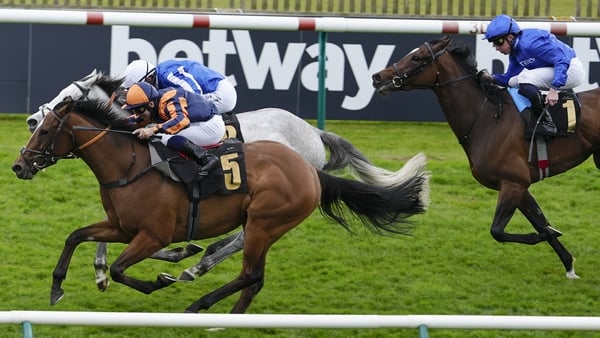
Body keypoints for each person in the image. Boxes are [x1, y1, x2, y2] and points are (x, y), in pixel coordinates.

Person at [481, 14, 585, 134]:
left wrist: (554, 88)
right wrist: (491, 78)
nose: (496, 48)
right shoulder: (515, 53)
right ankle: (540, 114)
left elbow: (562, 59)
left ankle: (546, 122)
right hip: (559, 70)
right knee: (514, 81)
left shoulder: (530, 43)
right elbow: (508, 79)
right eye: (493, 43)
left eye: (498, 42)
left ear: (510, 37)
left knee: (524, 78)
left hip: (571, 69)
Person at [122, 81, 224, 174]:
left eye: (139, 110)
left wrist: (153, 129)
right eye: (134, 110)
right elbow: (137, 119)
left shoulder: (168, 99)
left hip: (211, 126)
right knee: (158, 131)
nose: (137, 114)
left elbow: (181, 120)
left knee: (160, 136)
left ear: (151, 104)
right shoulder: (154, 103)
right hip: (199, 123)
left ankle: (206, 158)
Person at [121, 59, 237, 115]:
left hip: (221, 93)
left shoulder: (168, 74)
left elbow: (196, 94)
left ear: (149, 78)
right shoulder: (159, 76)